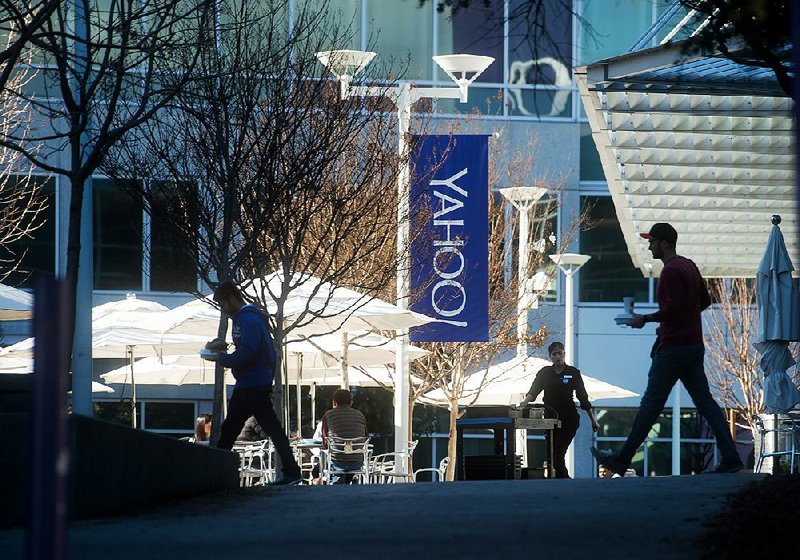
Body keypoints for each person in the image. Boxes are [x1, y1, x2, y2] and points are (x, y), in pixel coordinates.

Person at [591, 223, 744, 476]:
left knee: (651, 405)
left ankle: (621, 459)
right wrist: (686, 320)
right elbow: (703, 301)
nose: (649, 245)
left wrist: (646, 319)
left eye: (652, 241)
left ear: (664, 243)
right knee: (706, 403)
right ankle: (730, 457)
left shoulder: (672, 271)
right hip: (693, 346)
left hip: (673, 349)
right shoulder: (689, 266)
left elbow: (674, 309)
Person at [203, 281, 302, 485]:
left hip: (253, 382)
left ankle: (291, 471)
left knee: (256, 428)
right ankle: (215, 473)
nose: (224, 310)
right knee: (235, 427)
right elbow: (249, 348)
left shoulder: (247, 319)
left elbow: (249, 351)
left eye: (223, 305)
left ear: (232, 299)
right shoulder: (247, 319)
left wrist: (221, 358)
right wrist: (224, 349)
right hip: (250, 381)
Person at [520, 341, 600, 478]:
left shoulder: (572, 373)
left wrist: (593, 420)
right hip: (550, 418)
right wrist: (524, 403)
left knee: (558, 455)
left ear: (564, 354)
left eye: (560, 353)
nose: (558, 357)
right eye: (554, 354)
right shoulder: (545, 373)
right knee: (551, 456)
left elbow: (583, 397)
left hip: (569, 418)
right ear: (550, 356)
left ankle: (565, 481)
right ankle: (560, 481)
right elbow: (534, 391)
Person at [320, 389, 368, 484]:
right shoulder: (360, 415)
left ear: (334, 401)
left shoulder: (328, 415)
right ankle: (346, 485)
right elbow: (365, 437)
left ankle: (336, 486)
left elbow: (325, 441)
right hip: (357, 461)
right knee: (345, 466)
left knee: (324, 461)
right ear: (351, 402)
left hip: (337, 461)